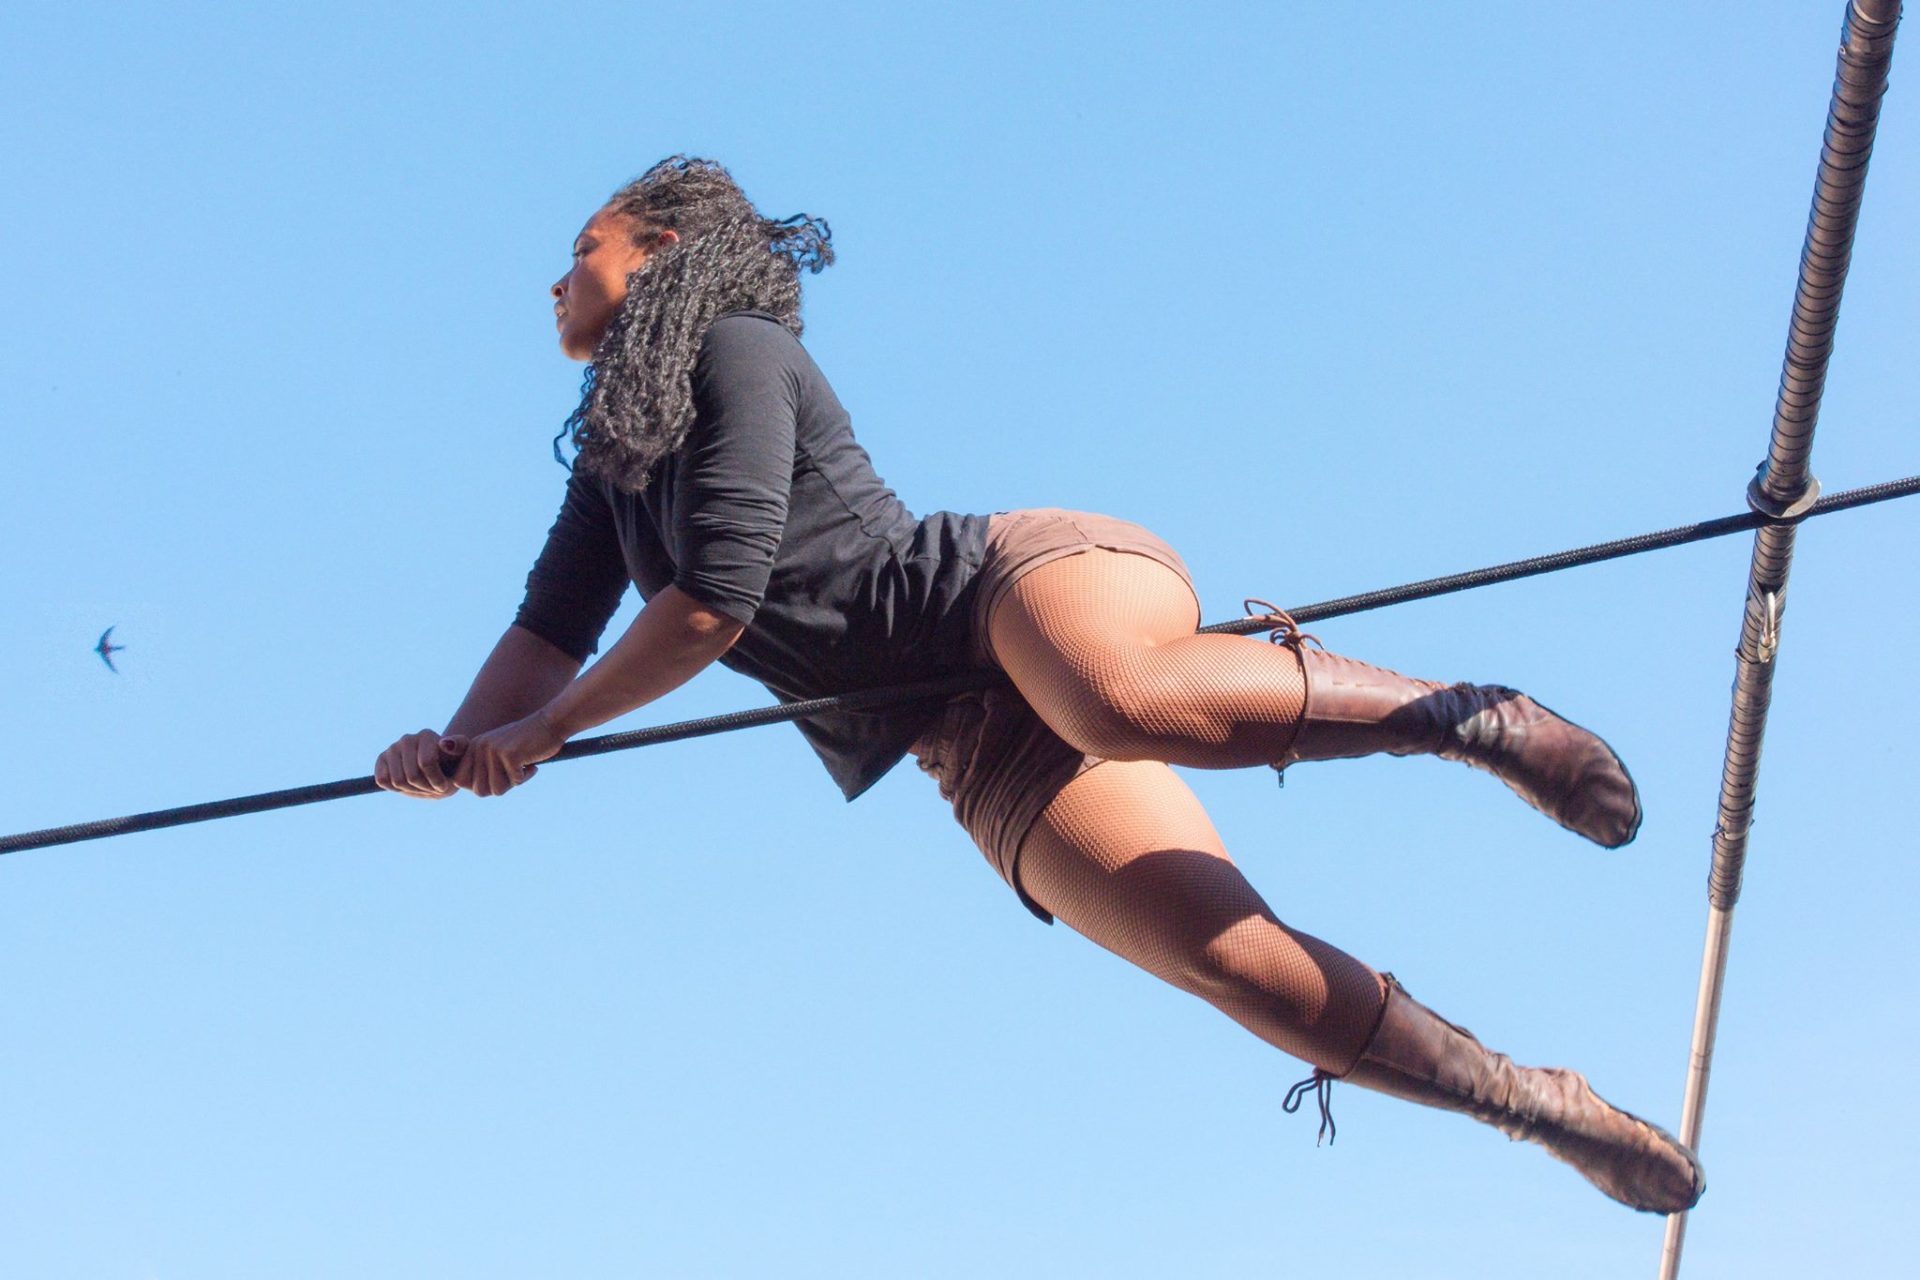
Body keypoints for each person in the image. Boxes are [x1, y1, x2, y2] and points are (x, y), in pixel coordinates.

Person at [374, 156, 1703, 1215]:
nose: (555, 282)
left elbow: (712, 602)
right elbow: (547, 632)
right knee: (1234, 966)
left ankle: (1470, 721)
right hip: (958, 731)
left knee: (1111, 697)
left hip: (1010, 592)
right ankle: (1532, 1104)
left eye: (582, 250)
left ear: (660, 250)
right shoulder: (616, 467)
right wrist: (451, 746)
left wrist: (543, 734)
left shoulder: (737, 349)